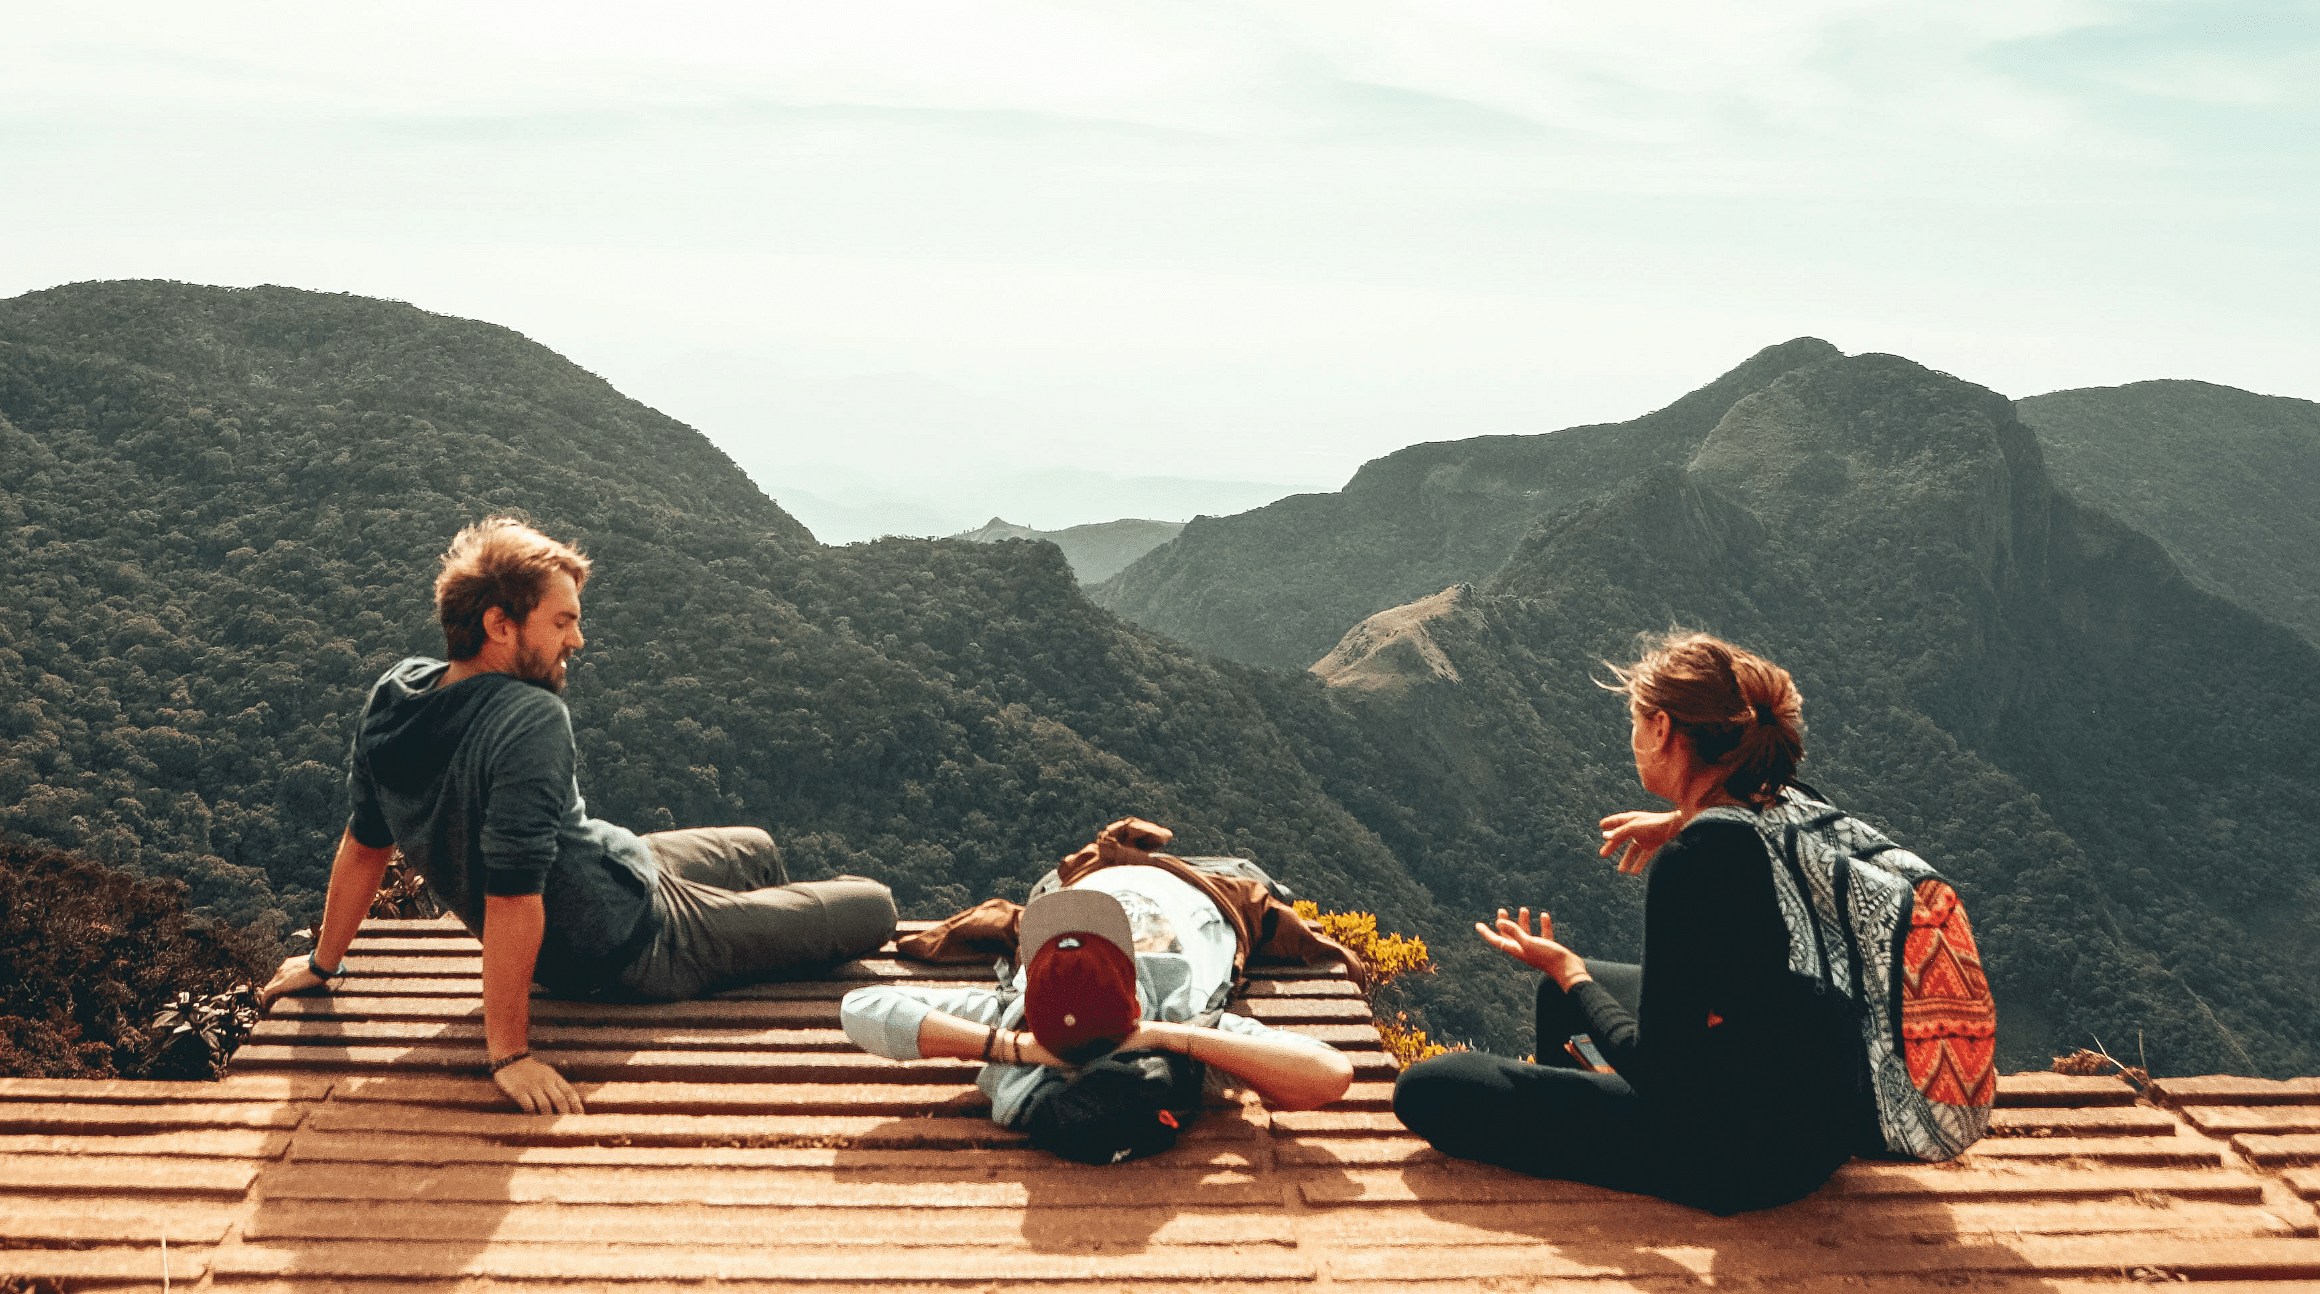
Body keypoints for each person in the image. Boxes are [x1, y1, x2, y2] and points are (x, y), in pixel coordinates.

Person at [260, 516, 897, 1114]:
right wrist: (509, 1054)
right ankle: (756, 941)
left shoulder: (396, 695)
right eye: (563, 622)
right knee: (875, 906)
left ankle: (765, 934)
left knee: (755, 846)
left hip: (617, 865)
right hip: (630, 942)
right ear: (500, 625)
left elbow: (365, 841)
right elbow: (511, 895)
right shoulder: (530, 719)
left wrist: (323, 962)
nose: (579, 640)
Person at [1392, 631, 1878, 1215]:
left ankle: (1610, 1144)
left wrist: (1569, 968)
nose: (1633, 737)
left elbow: (1663, 1076)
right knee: (1557, 996)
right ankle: (1592, 1129)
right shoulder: (1790, 800)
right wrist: (1680, 819)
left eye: (1636, 721)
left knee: (1428, 1088)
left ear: (1664, 729)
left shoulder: (1692, 865)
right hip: (1821, 1121)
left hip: (1742, 1159)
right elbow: (1745, 841)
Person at [839, 827, 1354, 1143]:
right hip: (1207, 885)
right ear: (1132, 991)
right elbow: (1330, 1074)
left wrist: (1017, 1048)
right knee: (1252, 874)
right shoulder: (1182, 1014)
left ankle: (1117, 849)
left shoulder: (1016, 1015)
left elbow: (859, 1006)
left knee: (1081, 861)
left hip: (1072, 885)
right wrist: (1166, 1037)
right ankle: (1132, 850)